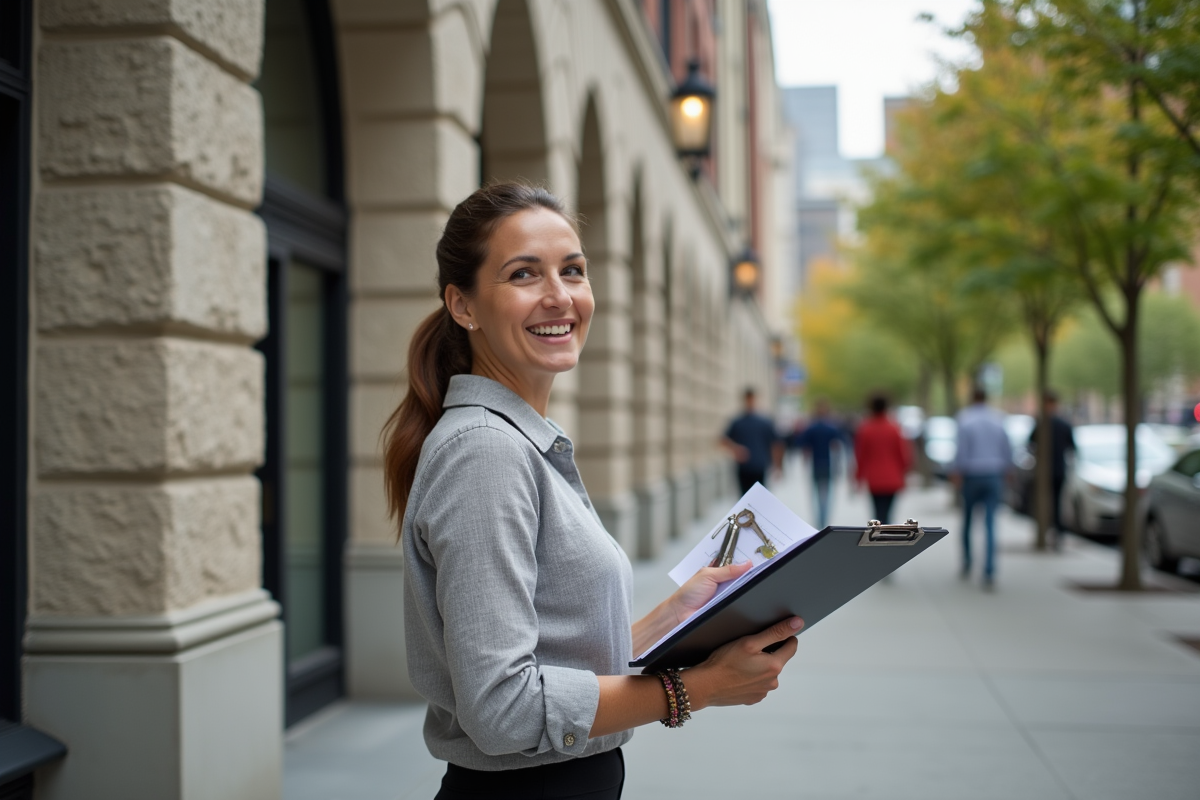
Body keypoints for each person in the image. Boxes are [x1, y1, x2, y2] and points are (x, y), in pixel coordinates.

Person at [382, 183, 802, 800]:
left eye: (572, 270)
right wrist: (699, 688)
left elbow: (542, 655)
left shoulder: (516, 441)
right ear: (463, 305)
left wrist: (672, 617)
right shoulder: (486, 452)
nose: (559, 296)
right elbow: (503, 710)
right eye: (524, 273)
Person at [952, 386, 1013, 588]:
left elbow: (961, 450)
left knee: (968, 520)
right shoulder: (998, 419)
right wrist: (1008, 470)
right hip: (994, 474)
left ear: (972, 398)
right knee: (990, 523)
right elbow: (1007, 448)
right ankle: (989, 570)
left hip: (972, 475)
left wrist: (957, 472)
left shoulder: (965, 418)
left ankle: (968, 561)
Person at [853, 393, 912, 525]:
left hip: (874, 479)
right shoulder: (895, 428)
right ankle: (887, 538)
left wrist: (858, 478)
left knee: (877, 514)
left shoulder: (866, 429)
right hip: (893, 478)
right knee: (888, 513)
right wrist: (905, 473)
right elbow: (903, 454)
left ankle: (879, 539)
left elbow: (860, 456)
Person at [792, 398, 851, 529]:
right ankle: (824, 521)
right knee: (826, 495)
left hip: (815, 465)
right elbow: (840, 445)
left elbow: (800, 444)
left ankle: (819, 521)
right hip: (828, 465)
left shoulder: (811, 428)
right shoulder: (832, 428)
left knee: (816, 495)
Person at [1028, 390, 1075, 548]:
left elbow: (1030, 444)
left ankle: (1048, 530)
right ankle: (1057, 533)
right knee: (1056, 503)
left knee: (1044, 503)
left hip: (1045, 471)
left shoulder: (1041, 423)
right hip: (1058, 470)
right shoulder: (1063, 424)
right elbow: (1072, 448)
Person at [722, 388, 783, 494]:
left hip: (760, 466)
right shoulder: (738, 422)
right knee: (744, 498)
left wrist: (777, 466)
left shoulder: (764, 422)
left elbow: (776, 444)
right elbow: (723, 440)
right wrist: (736, 449)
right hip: (743, 468)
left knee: (759, 498)